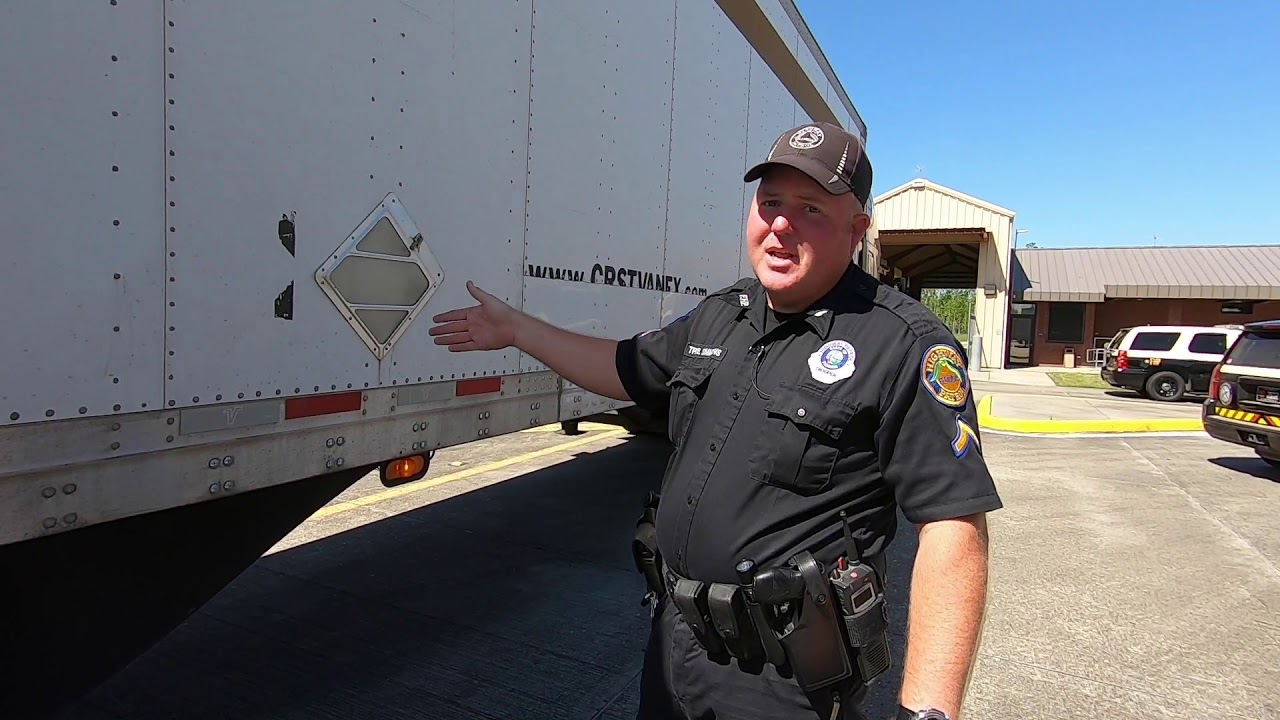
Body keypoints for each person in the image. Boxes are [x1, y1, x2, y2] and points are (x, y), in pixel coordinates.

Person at [428, 121, 1002, 720]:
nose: (780, 224)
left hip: (784, 682)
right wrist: (519, 330)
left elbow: (953, 527)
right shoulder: (721, 317)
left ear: (857, 230)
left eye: (809, 208)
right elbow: (624, 368)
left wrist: (929, 712)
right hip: (676, 646)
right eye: (770, 203)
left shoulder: (904, 345)